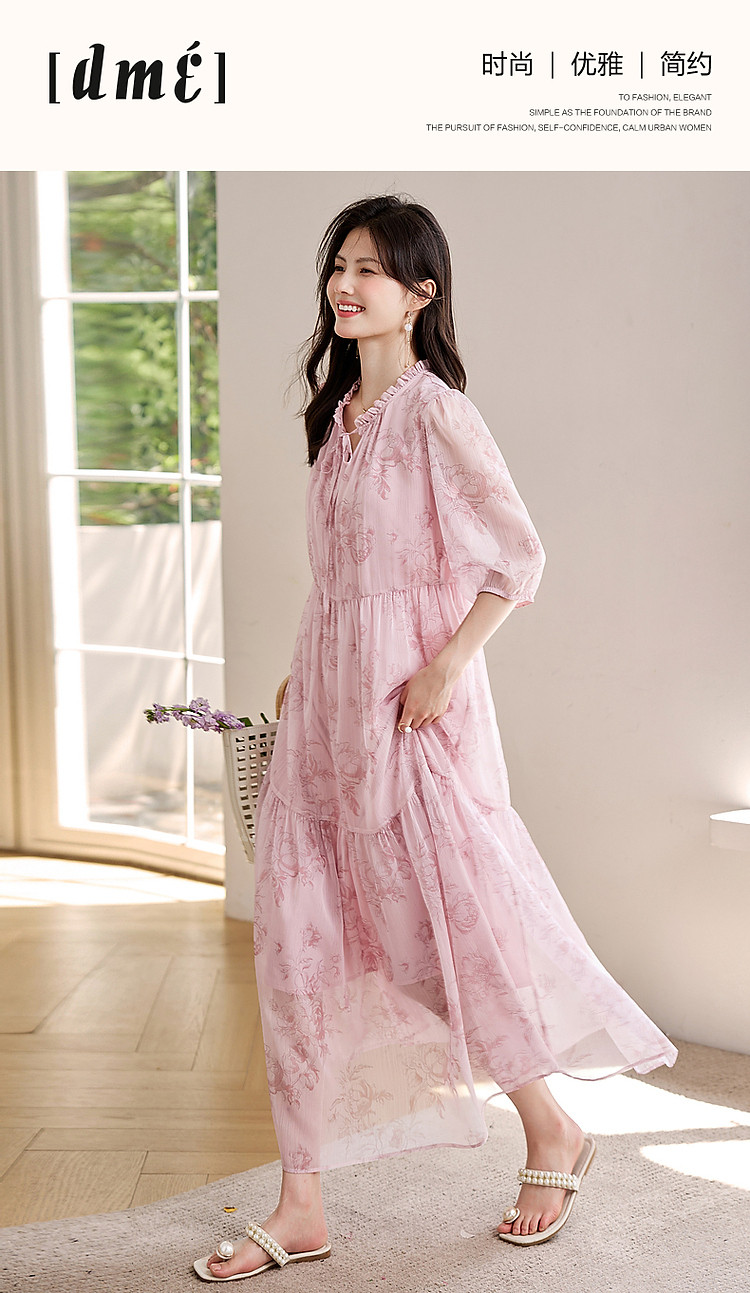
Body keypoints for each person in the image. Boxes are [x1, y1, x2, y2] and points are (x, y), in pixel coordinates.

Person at [195, 195, 678, 1281]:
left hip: (407, 712)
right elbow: (344, 575)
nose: (346, 284)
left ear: (421, 293)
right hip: (324, 708)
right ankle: (302, 1202)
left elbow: (520, 555)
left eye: (372, 269)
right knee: (294, 943)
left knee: (434, 940)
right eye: (340, 265)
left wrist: (448, 664)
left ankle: (551, 1124)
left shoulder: (436, 415)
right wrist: (308, 662)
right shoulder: (337, 415)